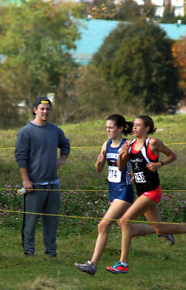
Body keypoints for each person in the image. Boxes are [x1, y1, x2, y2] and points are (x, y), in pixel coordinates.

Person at [106, 115, 186, 274]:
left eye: (138, 125)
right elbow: (121, 167)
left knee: (124, 221)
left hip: (152, 191)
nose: (134, 128)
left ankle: (123, 263)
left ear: (147, 128)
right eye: (133, 125)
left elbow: (172, 156)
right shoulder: (131, 144)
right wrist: (121, 154)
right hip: (141, 191)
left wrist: (159, 164)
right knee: (160, 230)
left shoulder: (153, 142)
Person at [75, 114, 174, 276]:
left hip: (124, 190)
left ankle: (92, 264)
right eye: (106, 128)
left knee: (103, 225)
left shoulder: (128, 144)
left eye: (111, 128)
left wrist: (141, 171)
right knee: (126, 227)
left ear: (120, 128)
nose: (108, 131)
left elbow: (134, 163)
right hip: (112, 190)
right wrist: (99, 163)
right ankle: (161, 230)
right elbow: (99, 169)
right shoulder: (106, 144)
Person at [15, 97, 70, 257]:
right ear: (35, 110)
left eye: (48, 109)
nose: (45, 112)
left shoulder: (55, 130)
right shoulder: (26, 132)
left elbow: (65, 144)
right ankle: (29, 252)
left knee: (52, 222)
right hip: (34, 185)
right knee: (30, 222)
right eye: (42, 109)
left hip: (53, 184)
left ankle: (51, 252)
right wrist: (26, 180)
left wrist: (63, 158)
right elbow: (20, 157)